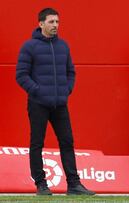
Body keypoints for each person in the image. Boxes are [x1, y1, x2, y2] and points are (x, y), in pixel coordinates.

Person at [16, 8, 95, 196]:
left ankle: (74, 185)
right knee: (37, 143)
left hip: (60, 104)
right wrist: (39, 91)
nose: (55, 26)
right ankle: (41, 184)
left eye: (57, 22)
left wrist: (66, 90)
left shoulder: (63, 46)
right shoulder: (29, 47)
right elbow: (21, 75)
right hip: (38, 104)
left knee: (67, 142)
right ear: (41, 23)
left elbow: (71, 72)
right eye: (51, 22)